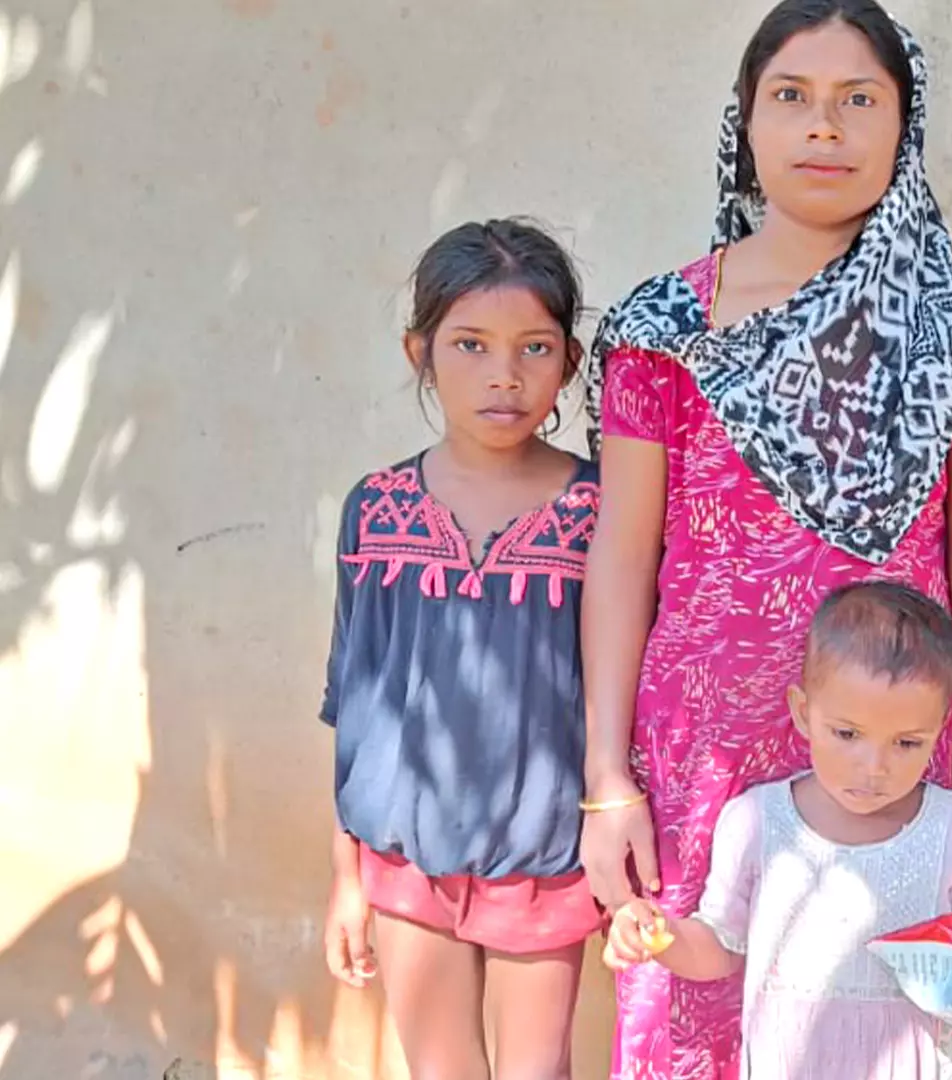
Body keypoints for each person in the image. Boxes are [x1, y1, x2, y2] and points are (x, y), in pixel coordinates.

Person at [580, 1, 952, 1076]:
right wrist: (607, 777)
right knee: (700, 1015)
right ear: (746, 122)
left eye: (857, 100)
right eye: (792, 97)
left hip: (886, 749)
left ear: (903, 127)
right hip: (702, 761)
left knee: (887, 1022)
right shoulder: (663, 326)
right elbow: (621, 558)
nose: (823, 128)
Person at [319, 219, 601, 1080]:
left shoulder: (604, 513)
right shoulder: (377, 510)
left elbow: (622, 690)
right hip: (403, 859)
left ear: (570, 364)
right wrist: (345, 878)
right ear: (420, 353)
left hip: (547, 860)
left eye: (534, 348)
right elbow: (353, 698)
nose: (504, 376)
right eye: (470, 345)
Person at [602, 582, 952, 1078]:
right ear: (803, 712)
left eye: (906, 743)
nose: (873, 766)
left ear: (939, 730)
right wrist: (661, 937)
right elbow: (720, 945)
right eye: (848, 734)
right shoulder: (756, 823)